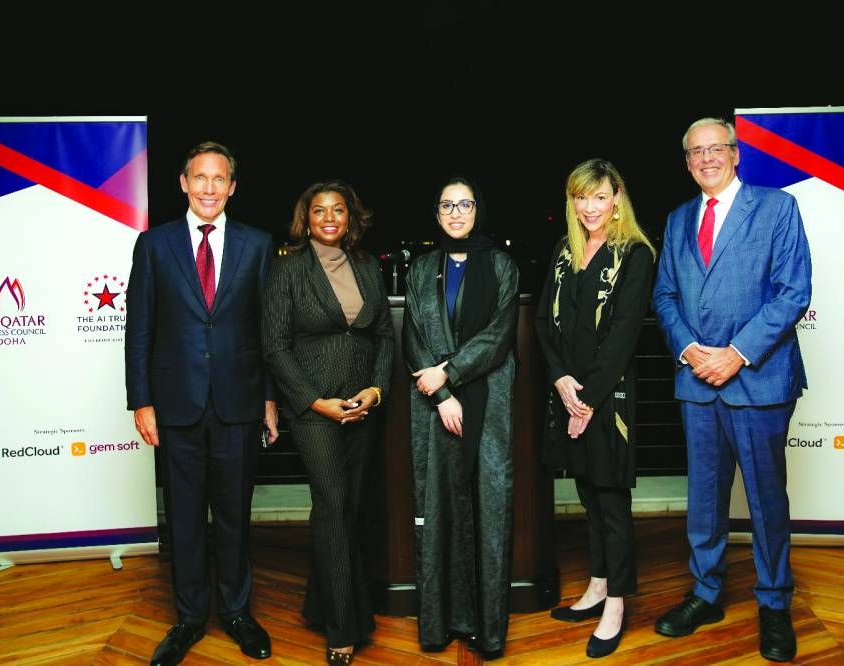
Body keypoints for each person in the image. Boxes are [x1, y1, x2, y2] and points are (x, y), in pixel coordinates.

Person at [651, 117, 812, 663]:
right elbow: (665, 296)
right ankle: (707, 593)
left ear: (736, 153)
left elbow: (794, 293)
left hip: (758, 379)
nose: (706, 159)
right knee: (704, 502)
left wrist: (736, 353)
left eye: (716, 148)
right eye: (695, 152)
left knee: (767, 501)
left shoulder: (776, 208)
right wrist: (688, 349)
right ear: (687, 161)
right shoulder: (677, 221)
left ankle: (773, 603)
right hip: (696, 382)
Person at [125, 140, 280, 665]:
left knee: (236, 516)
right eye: (200, 178)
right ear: (183, 183)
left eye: (220, 179)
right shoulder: (154, 245)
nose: (209, 188)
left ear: (232, 187)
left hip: (239, 405)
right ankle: (190, 619)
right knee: (186, 519)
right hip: (177, 407)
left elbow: (268, 332)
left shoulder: (258, 245)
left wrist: (268, 399)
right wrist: (141, 401)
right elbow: (139, 328)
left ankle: (237, 612)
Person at [261, 179, 394, 666]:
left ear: (351, 217)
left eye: (339, 209)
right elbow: (274, 345)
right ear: (307, 219)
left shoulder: (367, 267)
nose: (330, 218)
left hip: (362, 408)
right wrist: (315, 402)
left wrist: (376, 391)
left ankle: (323, 604)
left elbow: (382, 335)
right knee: (334, 506)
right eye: (320, 211)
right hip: (315, 412)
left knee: (347, 511)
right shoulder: (286, 271)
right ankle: (342, 631)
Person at [536, 158, 656, 660]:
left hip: (608, 400)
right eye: (581, 198)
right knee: (587, 494)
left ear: (617, 198)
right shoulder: (565, 251)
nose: (590, 207)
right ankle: (597, 585)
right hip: (569, 395)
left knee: (611, 504)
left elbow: (624, 337)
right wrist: (563, 381)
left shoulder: (636, 254)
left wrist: (586, 398)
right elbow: (545, 319)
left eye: (600, 197)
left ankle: (617, 605)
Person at [402, 175, 520, 660]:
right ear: (436, 214)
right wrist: (443, 393)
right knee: (437, 504)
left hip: (488, 398)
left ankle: (487, 629)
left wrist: (449, 372)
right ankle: (438, 623)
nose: (455, 213)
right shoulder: (422, 266)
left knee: (489, 505)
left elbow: (500, 335)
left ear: (478, 210)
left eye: (464, 204)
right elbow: (412, 332)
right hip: (433, 403)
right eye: (447, 205)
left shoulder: (501, 264)